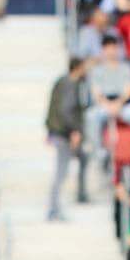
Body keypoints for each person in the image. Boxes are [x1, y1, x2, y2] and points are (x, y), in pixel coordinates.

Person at [46, 57, 91, 220]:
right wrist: (74, 131)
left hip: (60, 131)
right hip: (64, 133)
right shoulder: (70, 84)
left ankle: (81, 193)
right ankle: (54, 209)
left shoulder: (65, 82)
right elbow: (65, 110)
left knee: (84, 158)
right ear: (78, 68)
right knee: (61, 171)